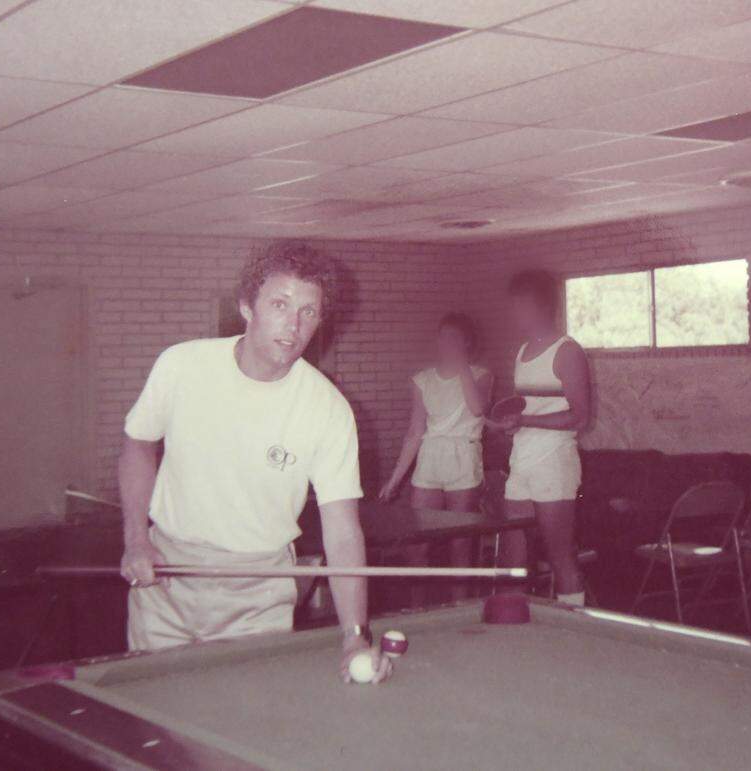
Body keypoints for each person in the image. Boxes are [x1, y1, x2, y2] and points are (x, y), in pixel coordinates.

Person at [119, 241, 390, 684]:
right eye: (280, 305)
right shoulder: (181, 365)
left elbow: (342, 531)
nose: (293, 325)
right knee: (152, 707)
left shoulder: (328, 409)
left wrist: (355, 635)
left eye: (308, 311)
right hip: (166, 578)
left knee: (245, 709)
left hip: (259, 591)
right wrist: (135, 540)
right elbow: (138, 444)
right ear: (247, 306)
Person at [379, 313, 493, 601]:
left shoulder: (482, 375)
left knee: (460, 544)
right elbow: (415, 432)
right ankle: (417, 609)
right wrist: (394, 480)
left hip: (464, 458)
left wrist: (462, 366)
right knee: (417, 544)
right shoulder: (422, 380)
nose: (447, 344)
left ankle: (460, 608)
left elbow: (477, 408)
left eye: (454, 338)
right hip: (430, 460)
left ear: (467, 342)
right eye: (443, 337)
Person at [495, 270, 591, 606]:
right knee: (513, 556)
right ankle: (514, 622)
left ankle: (574, 623)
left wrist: (525, 420)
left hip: (555, 463)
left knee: (559, 553)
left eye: (518, 306)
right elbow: (528, 409)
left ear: (539, 306)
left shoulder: (568, 351)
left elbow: (580, 417)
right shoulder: (522, 351)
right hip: (522, 461)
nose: (513, 313)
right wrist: (513, 425)